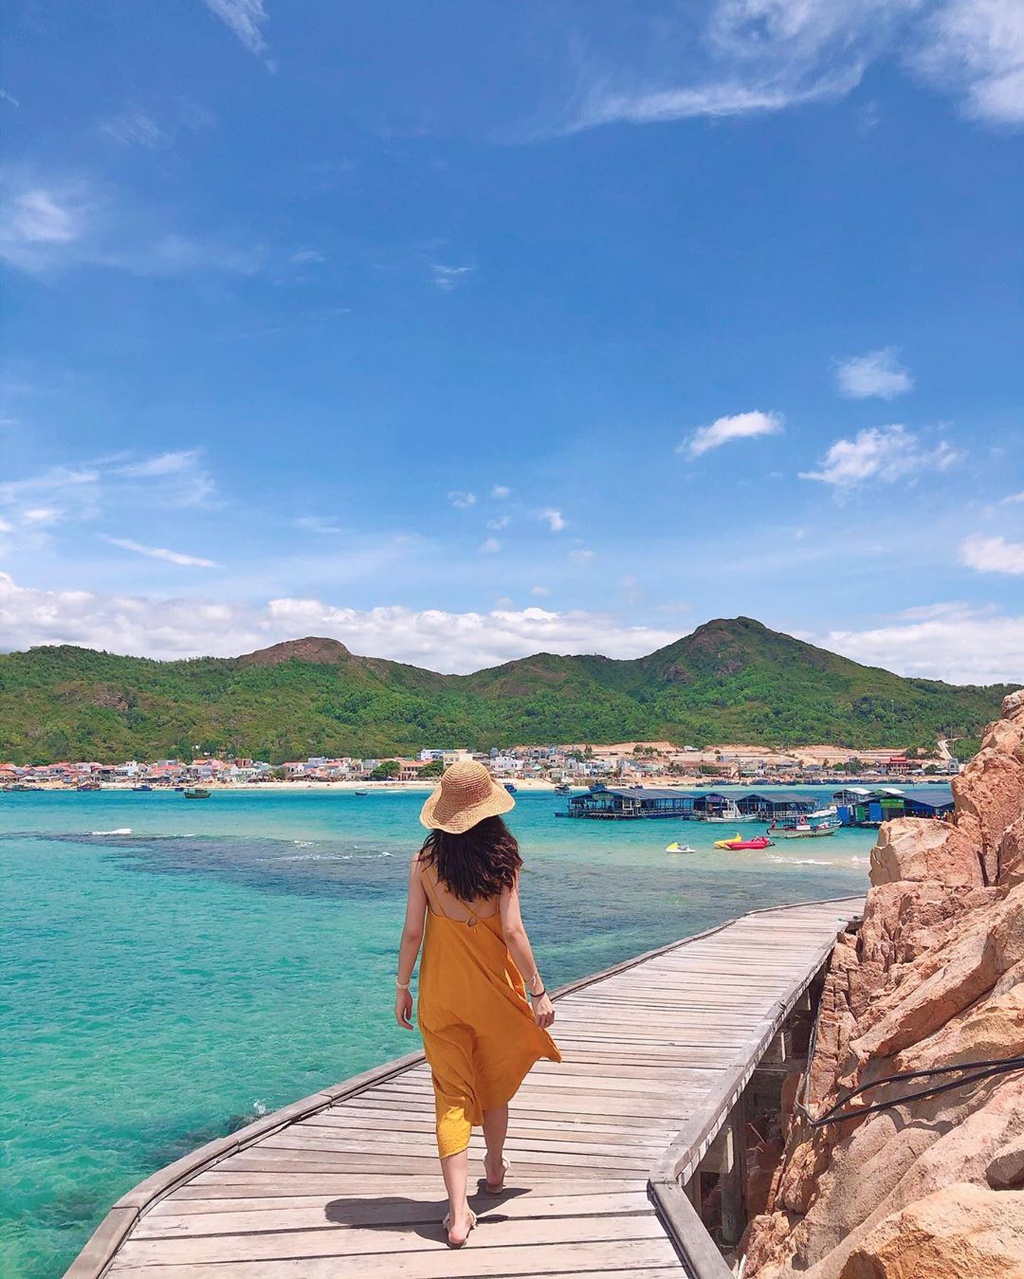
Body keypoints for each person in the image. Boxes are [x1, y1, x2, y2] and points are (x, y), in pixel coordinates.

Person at [394, 760, 561, 1248]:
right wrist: (537, 989)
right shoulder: (504, 863)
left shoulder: (424, 864)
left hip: (442, 999)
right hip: (494, 994)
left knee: (450, 1097)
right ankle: (494, 1166)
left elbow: (411, 932)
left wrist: (402, 986)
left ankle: (459, 1211)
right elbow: (512, 931)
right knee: (492, 1081)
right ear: (490, 811)